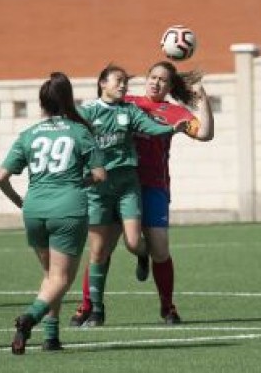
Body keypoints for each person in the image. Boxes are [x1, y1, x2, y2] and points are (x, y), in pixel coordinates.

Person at [70, 61, 214, 326]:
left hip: (153, 186)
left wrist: (202, 99)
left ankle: (167, 307)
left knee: (159, 249)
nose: (155, 83)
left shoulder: (174, 112)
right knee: (101, 248)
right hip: (117, 184)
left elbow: (204, 133)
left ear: (170, 86)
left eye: (162, 80)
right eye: (152, 77)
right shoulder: (129, 102)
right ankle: (87, 307)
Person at [0, 72, 106, 354]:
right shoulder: (80, 131)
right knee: (60, 278)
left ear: (42, 103)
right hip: (68, 208)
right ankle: (29, 318)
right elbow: (100, 175)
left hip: (34, 208)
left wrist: (20, 202)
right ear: (68, 99)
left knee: (50, 275)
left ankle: (52, 337)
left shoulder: (29, 134)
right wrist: (80, 183)